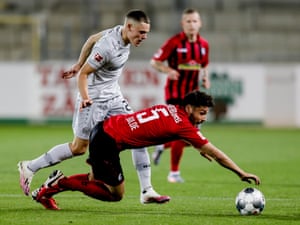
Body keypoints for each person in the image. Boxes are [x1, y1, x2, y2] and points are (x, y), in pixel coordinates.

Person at [18, 9, 170, 204]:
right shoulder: (108, 47)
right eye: (141, 32)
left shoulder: (118, 32)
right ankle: (30, 167)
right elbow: (83, 75)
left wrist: (78, 62)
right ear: (129, 27)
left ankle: (147, 191)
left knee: (138, 135)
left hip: (114, 97)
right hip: (94, 99)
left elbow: (91, 38)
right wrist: (86, 96)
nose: (144, 37)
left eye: (146, 33)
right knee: (79, 148)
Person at [31, 90, 261, 210]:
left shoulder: (171, 109)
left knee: (96, 180)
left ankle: (49, 190)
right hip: (108, 142)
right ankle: (58, 184)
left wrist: (195, 145)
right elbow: (217, 153)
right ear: (189, 108)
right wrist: (240, 172)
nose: (203, 118)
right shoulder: (183, 125)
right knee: (115, 195)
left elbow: (166, 129)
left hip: (106, 131)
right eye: (201, 113)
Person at [150, 8, 210, 183]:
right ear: (182, 24)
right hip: (175, 95)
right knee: (183, 133)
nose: (192, 24)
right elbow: (154, 62)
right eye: (188, 21)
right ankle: (173, 174)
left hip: (193, 97)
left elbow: (205, 65)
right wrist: (168, 70)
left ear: (200, 23)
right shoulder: (174, 42)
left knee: (191, 139)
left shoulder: (204, 45)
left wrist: (205, 78)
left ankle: (162, 145)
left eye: (194, 21)